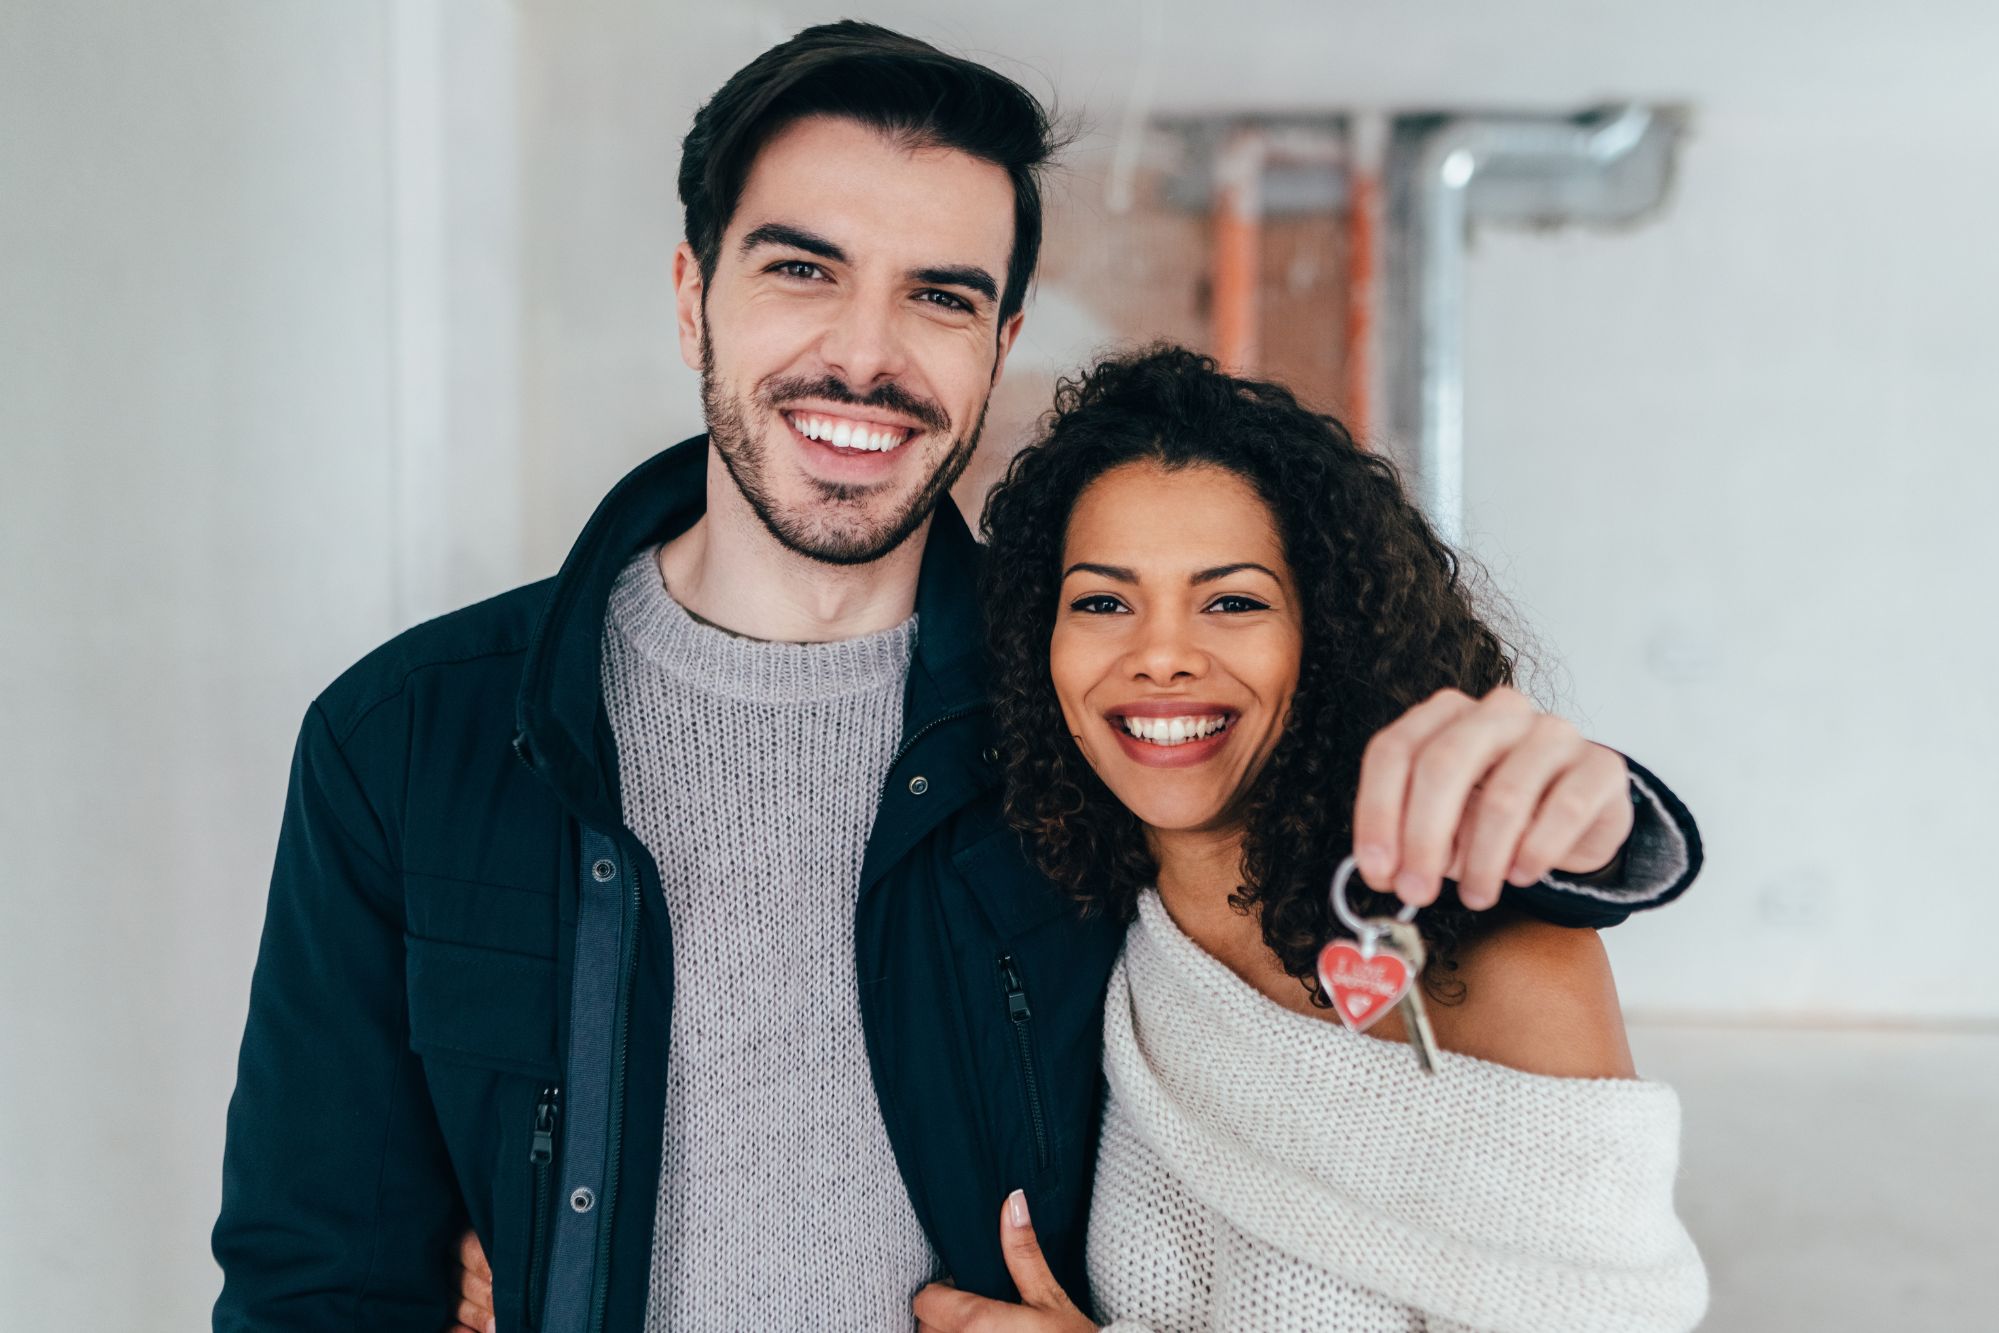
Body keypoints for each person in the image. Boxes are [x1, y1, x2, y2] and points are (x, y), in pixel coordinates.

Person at [214, 21, 1699, 1333]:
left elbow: (1350, 796)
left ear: (994, 346)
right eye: (803, 269)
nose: (864, 356)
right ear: (692, 298)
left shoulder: (1076, 714)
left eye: (937, 296)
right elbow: (315, 1272)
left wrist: (1609, 827)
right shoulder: (409, 737)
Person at [906, 347, 1707, 1333]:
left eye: (1232, 600)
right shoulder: (1090, 937)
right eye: (1102, 601)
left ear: (1322, 637)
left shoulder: (1506, 965)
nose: (1158, 654)